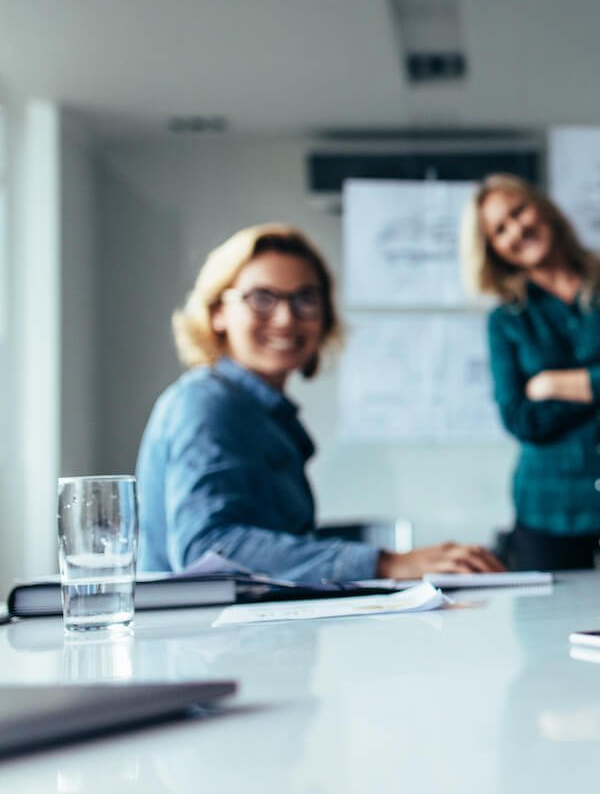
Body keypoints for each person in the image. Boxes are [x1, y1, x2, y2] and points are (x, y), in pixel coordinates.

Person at [138, 223, 504, 584]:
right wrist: (384, 563)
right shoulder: (208, 405)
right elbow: (207, 549)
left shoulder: (263, 413)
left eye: (306, 299)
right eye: (261, 298)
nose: (286, 318)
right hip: (198, 641)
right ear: (218, 311)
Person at [463, 173, 600, 571]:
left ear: (541, 207)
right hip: (548, 509)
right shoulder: (506, 319)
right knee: (546, 629)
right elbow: (521, 418)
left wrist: (553, 384)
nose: (516, 229)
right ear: (493, 249)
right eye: (499, 229)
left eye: (518, 211)